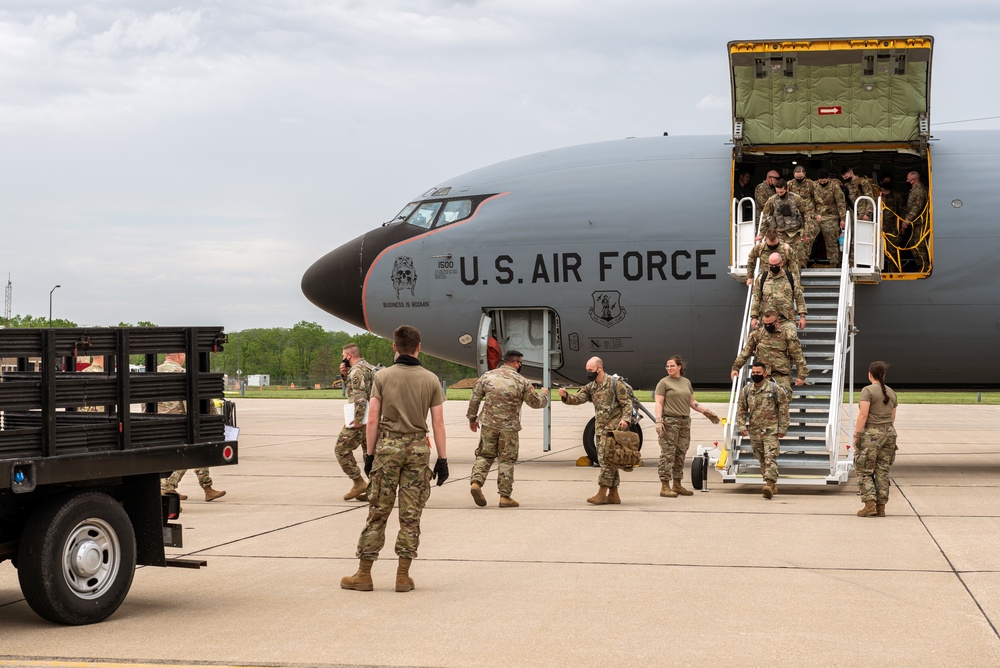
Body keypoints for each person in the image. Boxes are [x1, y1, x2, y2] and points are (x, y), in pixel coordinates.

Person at [341, 325, 448, 593]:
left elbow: (372, 418)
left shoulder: (383, 377)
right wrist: (442, 459)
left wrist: (369, 453)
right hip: (418, 451)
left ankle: (364, 574)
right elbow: (438, 423)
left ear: (394, 347)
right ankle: (403, 576)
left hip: (387, 450)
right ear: (419, 347)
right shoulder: (431, 379)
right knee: (411, 516)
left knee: (378, 513)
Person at [466, 350, 549, 508]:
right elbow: (536, 403)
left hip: (488, 424)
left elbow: (475, 398)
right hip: (509, 427)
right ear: (516, 363)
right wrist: (544, 394)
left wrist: (472, 418)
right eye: (520, 363)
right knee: (507, 460)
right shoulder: (522, 381)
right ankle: (505, 497)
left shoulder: (487, 376)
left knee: (484, 455)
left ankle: (476, 483)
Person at [558, 357, 632, 505]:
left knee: (605, 460)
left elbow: (627, 403)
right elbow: (578, 398)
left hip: (614, 429)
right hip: (600, 429)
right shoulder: (591, 386)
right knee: (611, 460)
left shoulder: (614, 383)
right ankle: (614, 494)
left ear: (599, 368)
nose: (588, 373)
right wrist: (566, 396)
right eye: (587, 370)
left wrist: (626, 420)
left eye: (590, 370)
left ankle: (602, 492)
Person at [158, 352, 227, 502]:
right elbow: (194, 400)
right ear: (179, 356)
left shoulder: (153, 372)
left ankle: (206, 488)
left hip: (158, 423)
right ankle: (168, 486)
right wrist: (211, 418)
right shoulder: (183, 374)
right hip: (180, 422)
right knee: (189, 454)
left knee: (186, 454)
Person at [653, 356, 720, 498]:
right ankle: (665, 486)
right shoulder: (663, 383)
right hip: (669, 421)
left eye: (672, 366)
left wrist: (706, 412)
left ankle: (677, 484)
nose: (669, 368)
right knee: (668, 454)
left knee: (681, 453)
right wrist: (659, 421)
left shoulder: (686, 382)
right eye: (667, 366)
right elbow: (659, 403)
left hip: (684, 422)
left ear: (679, 367)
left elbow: (692, 402)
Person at [736, 361, 788, 499]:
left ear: (765, 373)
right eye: (753, 373)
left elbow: (783, 408)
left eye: (758, 373)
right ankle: (771, 485)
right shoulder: (746, 390)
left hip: (771, 430)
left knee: (770, 456)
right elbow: (741, 410)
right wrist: (742, 426)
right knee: (761, 459)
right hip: (754, 431)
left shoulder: (774, 389)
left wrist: (783, 427)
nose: (755, 375)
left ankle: (769, 484)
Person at [853, 361, 898, 518]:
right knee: (882, 470)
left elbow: (863, 414)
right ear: (883, 375)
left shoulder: (867, 391)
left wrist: (857, 435)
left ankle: (869, 503)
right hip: (889, 434)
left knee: (863, 469)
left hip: (872, 434)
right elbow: (892, 417)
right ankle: (881, 507)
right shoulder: (891, 392)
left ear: (870, 375)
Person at [731, 309, 809, 394]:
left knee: (782, 402)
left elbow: (798, 355)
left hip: (781, 375)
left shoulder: (787, 334)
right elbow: (745, 352)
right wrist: (736, 368)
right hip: (763, 375)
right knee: (761, 404)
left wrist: (801, 375)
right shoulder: (757, 335)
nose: (768, 326)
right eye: (765, 324)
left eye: (770, 324)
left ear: (777, 322)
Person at [336, 343, 376, 502]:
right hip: (373, 418)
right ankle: (374, 490)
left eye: (342, 356)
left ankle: (358, 482)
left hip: (362, 419)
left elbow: (359, 397)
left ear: (348, 356)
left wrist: (358, 421)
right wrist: (345, 375)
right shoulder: (367, 367)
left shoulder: (357, 371)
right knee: (370, 455)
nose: (342, 359)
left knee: (341, 449)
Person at [758, 178, 813, 268]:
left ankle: (796, 279)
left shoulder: (796, 198)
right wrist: (761, 234)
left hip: (795, 233)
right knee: (781, 259)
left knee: (799, 259)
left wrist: (806, 233)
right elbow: (765, 217)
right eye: (777, 192)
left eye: (782, 192)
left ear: (787, 189)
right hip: (780, 233)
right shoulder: (771, 200)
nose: (779, 194)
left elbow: (806, 214)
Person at [749, 252, 807, 331]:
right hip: (767, 322)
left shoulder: (790, 277)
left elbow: (799, 297)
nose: (773, 267)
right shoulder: (762, 278)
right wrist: (754, 317)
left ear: (781, 263)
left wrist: (802, 317)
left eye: (776, 265)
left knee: (791, 341)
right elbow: (756, 299)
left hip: (786, 320)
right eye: (771, 265)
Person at [812, 169, 847, 266]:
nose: (822, 183)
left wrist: (842, 219)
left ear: (828, 179)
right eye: (820, 181)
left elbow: (841, 203)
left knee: (831, 241)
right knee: (808, 238)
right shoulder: (813, 185)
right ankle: (804, 262)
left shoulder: (834, 186)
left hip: (830, 216)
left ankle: (834, 264)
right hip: (816, 216)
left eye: (824, 181)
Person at [785, 165, 819, 255]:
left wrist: (818, 213)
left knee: (807, 239)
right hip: (794, 217)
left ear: (805, 175)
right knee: (794, 240)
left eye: (801, 177)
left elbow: (818, 200)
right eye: (797, 177)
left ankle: (804, 261)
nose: (799, 179)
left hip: (808, 216)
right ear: (793, 175)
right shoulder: (789, 184)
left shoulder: (811, 184)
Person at [902, 171, 930, 272]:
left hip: (922, 223)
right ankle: (920, 265)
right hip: (916, 223)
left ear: (913, 180)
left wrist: (907, 221)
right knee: (913, 243)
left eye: (908, 179)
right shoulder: (914, 190)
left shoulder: (919, 190)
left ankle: (925, 267)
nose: (907, 181)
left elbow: (916, 208)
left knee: (919, 245)